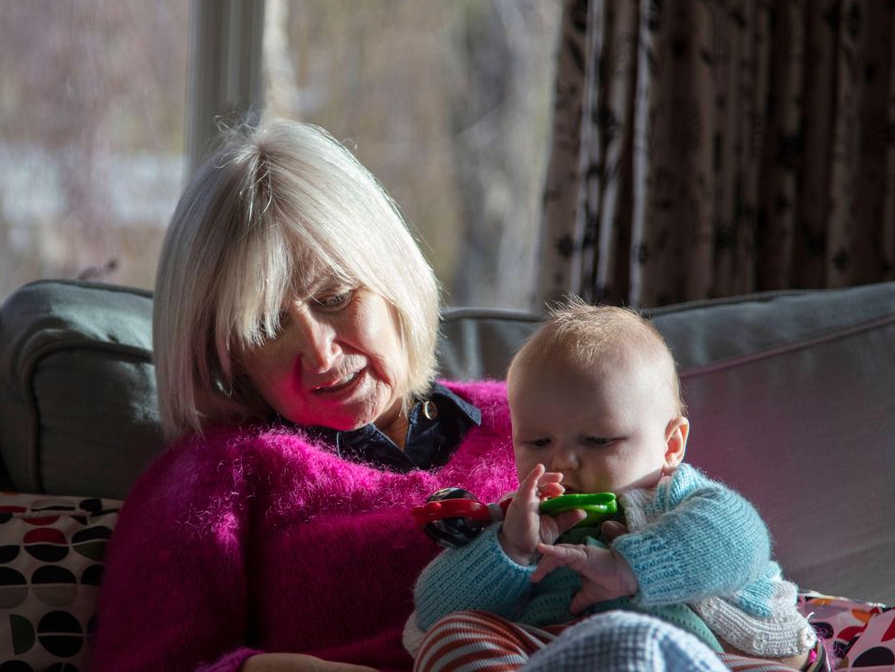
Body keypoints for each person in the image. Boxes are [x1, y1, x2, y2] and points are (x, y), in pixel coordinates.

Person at [89, 119, 523, 671]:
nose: (320, 355)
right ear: (228, 353)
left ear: (392, 278)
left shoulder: (532, 416)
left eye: (336, 297)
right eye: (268, 327)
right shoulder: (211, 480)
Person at [405, 300, 820, 672]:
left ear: (671, 445)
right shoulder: (517, 521)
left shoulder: (678, 498)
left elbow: (743, 541)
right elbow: (431, 609)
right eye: (538, 442)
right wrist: (509, 550)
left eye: (599, 440)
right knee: (452, 637)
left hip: (692, 648)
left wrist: (630, 569)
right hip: (554, 651)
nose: (561, 460)